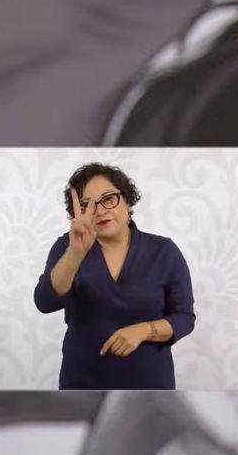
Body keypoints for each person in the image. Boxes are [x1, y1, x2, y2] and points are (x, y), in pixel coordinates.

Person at [34, 163, 196, 390]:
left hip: (150, 385)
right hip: (82, 383)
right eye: (87, 205)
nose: (100, 210)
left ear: (127, 200)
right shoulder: (67, 246)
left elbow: (184, 317)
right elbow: (45, 302)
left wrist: (143, 331)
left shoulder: (163, 251)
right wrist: (75, 254)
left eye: (108, 199)